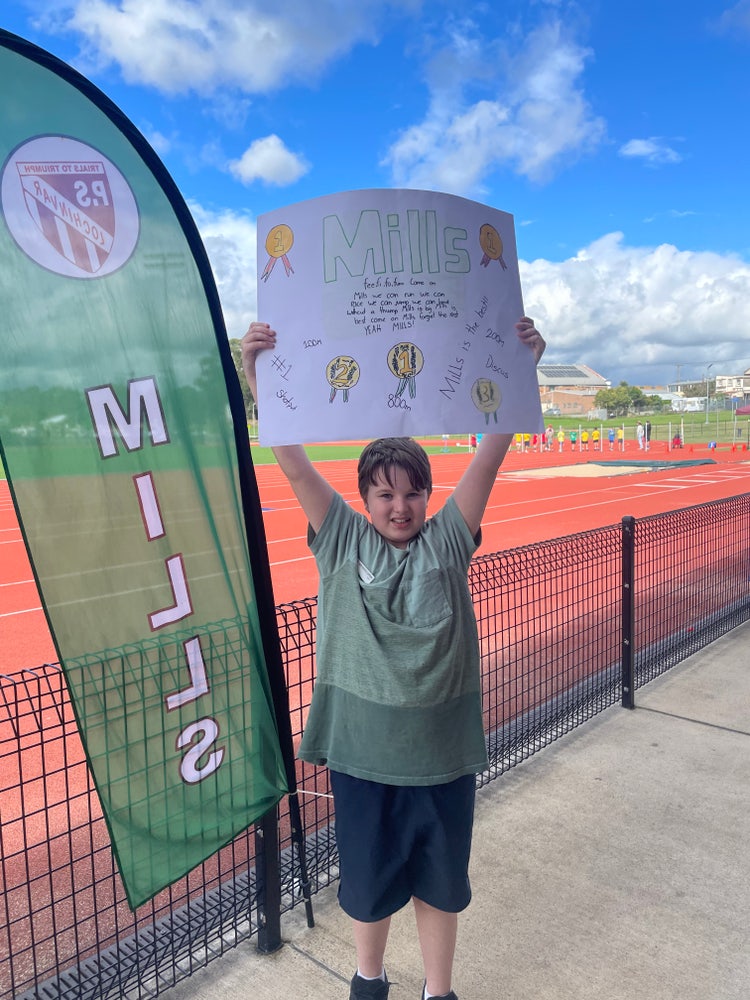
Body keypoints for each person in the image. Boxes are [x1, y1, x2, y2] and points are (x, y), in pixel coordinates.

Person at [242, 317, 546, 1000]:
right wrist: (259, 372)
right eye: (385, 493)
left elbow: (491, 454)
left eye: (413, 492)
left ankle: (439, 991)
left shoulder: (447, 543)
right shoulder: (342, 539)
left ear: (429, 498)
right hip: (363, 753)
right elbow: (291, 459)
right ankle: (368, 980)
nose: (401, 505)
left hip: (439, 753)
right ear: (365, 498)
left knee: (442, 883)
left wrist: (522, 367)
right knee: (369, 881)